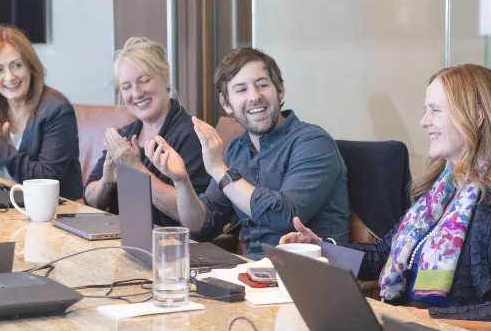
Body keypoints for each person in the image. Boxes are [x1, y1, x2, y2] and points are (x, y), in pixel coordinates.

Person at [279, 64, 491, 323]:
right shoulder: (442, 191)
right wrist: (320, 246)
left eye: (435, 110)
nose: (423, 121)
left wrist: (428, 319)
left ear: (477, 117)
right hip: (410, 329)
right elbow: (385, 253)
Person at [144, 47, 349, 258]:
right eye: (241, 89)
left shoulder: (314, 142)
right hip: (252, 273)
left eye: (262, 85)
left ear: (280, 90)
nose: (254, 96)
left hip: (309, 275)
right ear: (226, 104)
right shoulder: (237, 148)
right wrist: (181, 181)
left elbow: (286, 217)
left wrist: (219, 170)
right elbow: (202, 226)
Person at [83, 37, 210, 225]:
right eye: (126, 87)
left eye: (144, 80)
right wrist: (107, 181)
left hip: (171, 246)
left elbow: (198, 215)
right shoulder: (124, 135)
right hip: (121, 241)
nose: (136, 93)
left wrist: (136, 170)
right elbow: (89, 197)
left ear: (166, 79)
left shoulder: (192, 134)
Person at [0, 25, 83, 200]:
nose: (10, 77)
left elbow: (47, 180)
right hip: (5, 209)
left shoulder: (57, 110)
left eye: (17, 65)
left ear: (30, 66)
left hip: (53, 214)